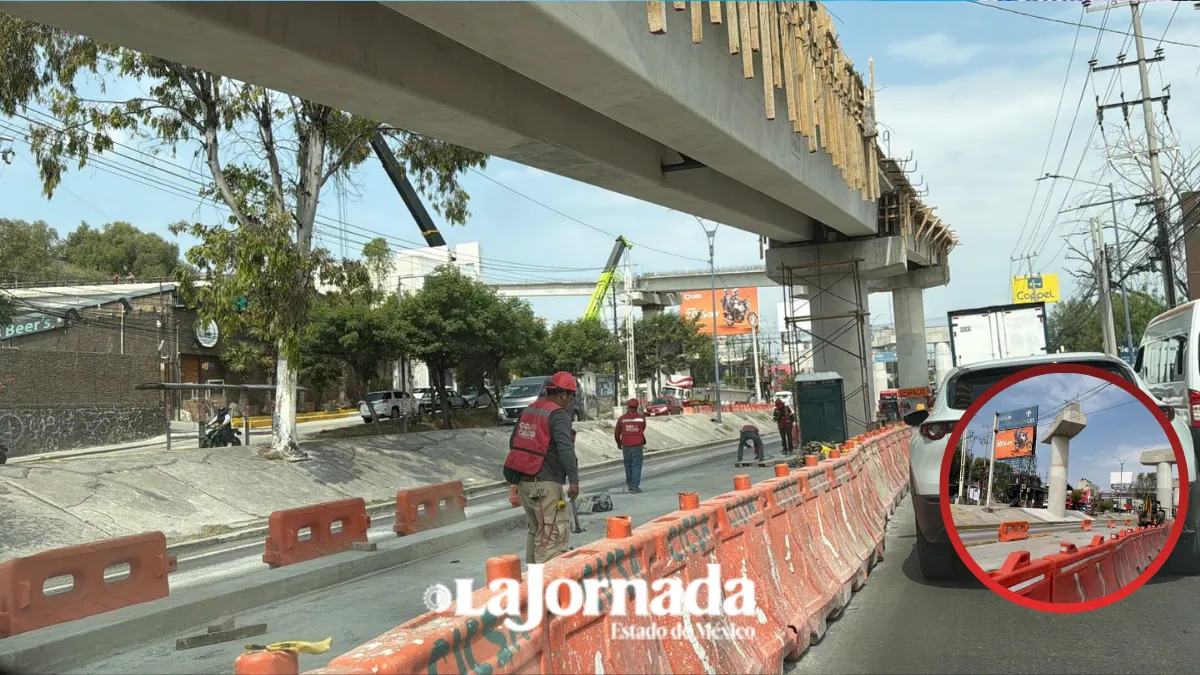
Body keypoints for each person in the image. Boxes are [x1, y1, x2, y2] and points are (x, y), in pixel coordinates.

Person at [502, 371, 581, 565]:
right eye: (571, 396)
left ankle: (533, 580)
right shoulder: (558, 414)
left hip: (525, 483)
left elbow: (514, 442)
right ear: (563, 394)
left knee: (537, 531)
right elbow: (565, 449)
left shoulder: (530, 410)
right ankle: (547, 582)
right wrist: (574, 480)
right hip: (545, 485)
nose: (571, 401)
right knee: (552, 537)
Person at [614, 398, 647, 493]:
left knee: (628, 465)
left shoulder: (622, 419)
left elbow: (617, 432)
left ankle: (630, 485)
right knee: (636, 464)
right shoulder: (641, 418)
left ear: (627, 407)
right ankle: (635, 486)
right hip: (637, 445)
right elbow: (643, 428)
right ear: (637, 407)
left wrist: (618, 442)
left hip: (626, 445)